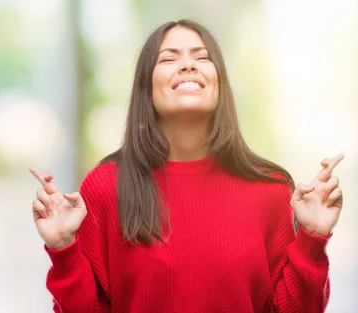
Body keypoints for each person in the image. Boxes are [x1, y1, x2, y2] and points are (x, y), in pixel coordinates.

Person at [28, 19, 344, 313]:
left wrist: (313, 238)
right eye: (168, 59)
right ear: (146, 87)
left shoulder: (271, 188)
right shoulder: (105, 186)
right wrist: (63, 247)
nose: (188, 64)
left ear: (220, 83)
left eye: (201, 57)